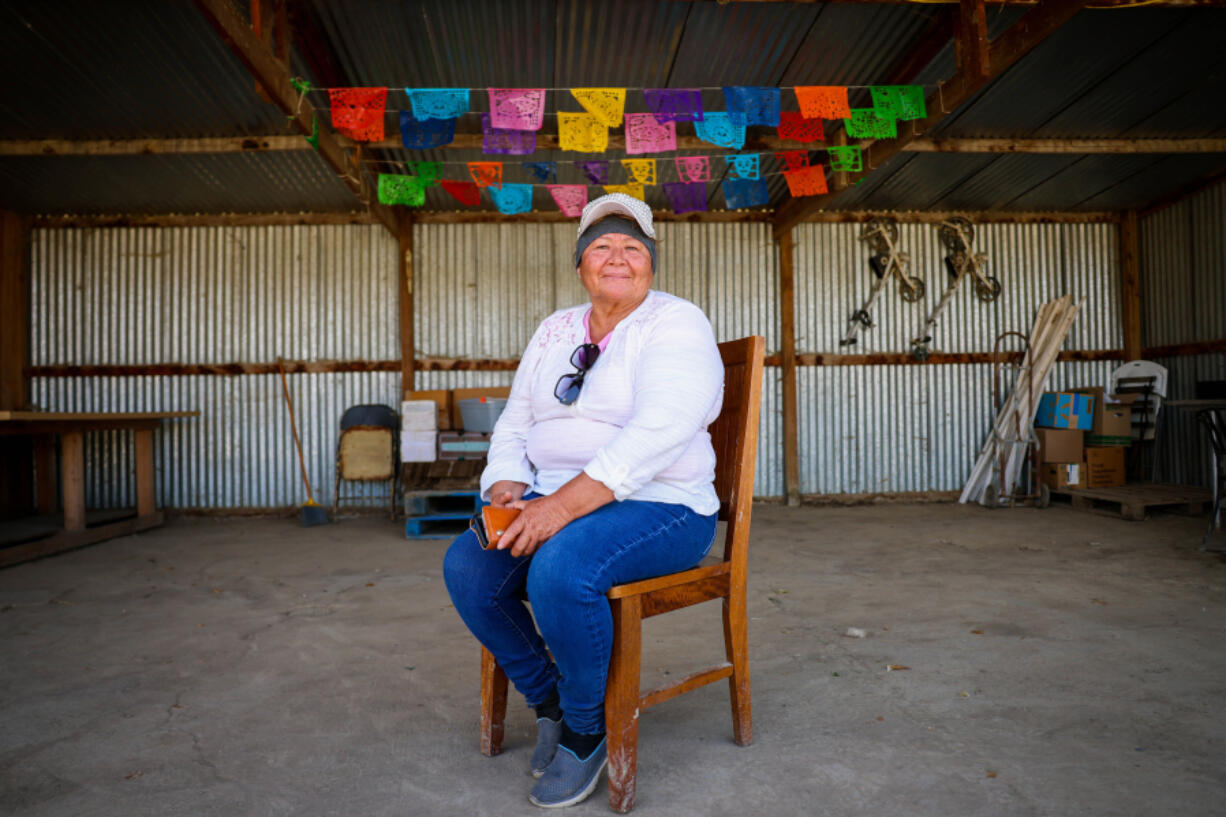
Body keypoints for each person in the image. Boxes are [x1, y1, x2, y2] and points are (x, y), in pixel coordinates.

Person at [442, 193, 725, 809]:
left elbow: (661, 429)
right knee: (468, 566)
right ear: (580, 264)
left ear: (650, 262)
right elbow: (516, 420)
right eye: (601, 246)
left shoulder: (676, 322)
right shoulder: (555, 330)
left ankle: (585, 729)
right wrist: (507, 483)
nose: (617, 257)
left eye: (632, 247)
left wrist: (558, 509)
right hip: (554, 494)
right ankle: (548, 700)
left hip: (664, 504)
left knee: (563, 568)